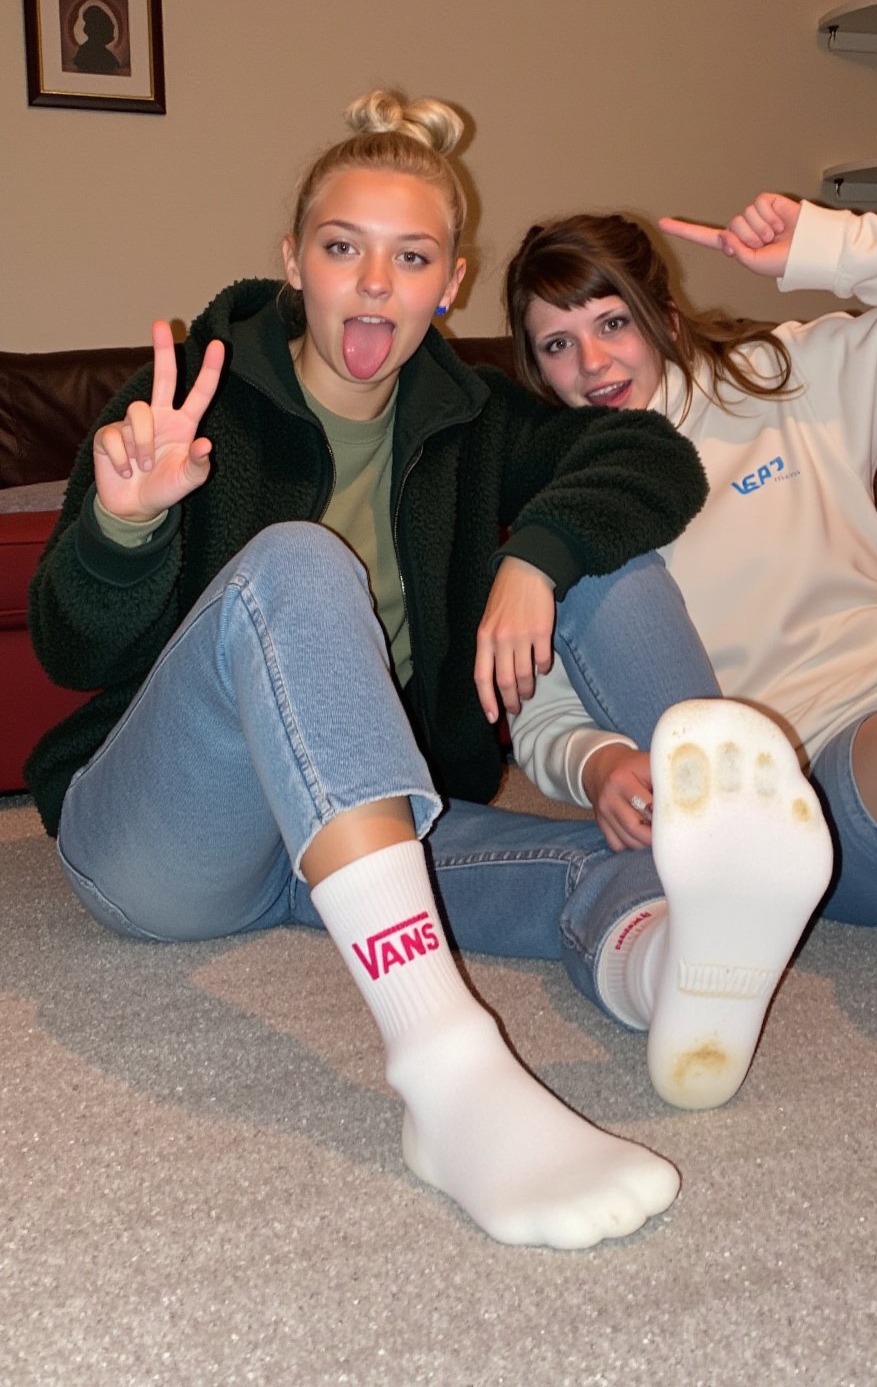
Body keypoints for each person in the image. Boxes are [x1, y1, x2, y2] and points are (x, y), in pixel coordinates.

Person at [28, 89, 814, 1252]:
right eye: (343, 249)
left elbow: (646, 455)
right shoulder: (190, 403)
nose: (374, 283)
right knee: (297, 562)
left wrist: (536, 561)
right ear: (292, 260)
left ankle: (671, 949)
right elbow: (68, 649)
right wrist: (123, 525)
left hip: (361, 840)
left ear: (450, 283)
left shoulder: (476, 416)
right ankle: (446, 1069)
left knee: (601, 577)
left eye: (411, 258)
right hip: (164, 845)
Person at [504, 191, 877, 1008]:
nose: (594, 364)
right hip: (842, 775)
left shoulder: (788, 378)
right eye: (559, 345)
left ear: (666, 319)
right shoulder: (570, 513)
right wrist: (595, 762)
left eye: (613, 324)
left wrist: (832, 246)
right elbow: (542, 717)